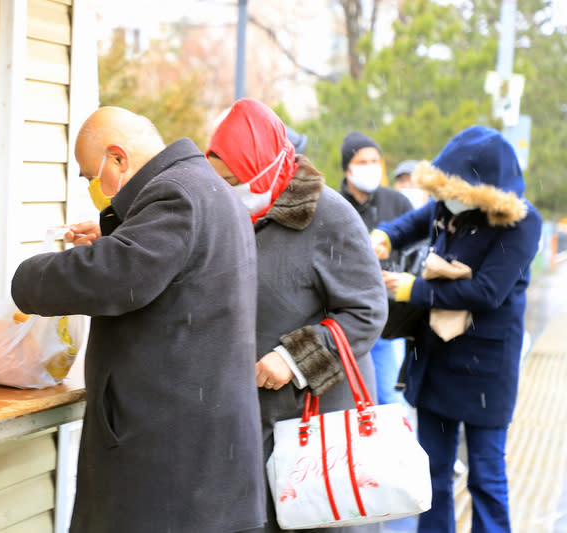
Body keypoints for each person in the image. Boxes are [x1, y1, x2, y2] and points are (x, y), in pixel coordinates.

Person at [11, 106, 266, 533]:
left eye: (89, 174)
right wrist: (114, 236)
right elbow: (167, 273)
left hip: (169, 462)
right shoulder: (206, 187)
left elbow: (118, 278)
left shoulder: (175, 195)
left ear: (118, 158)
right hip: (202, 455)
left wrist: (27, 278)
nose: (93, 187)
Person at [205, 98, 387, 533]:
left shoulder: (329, 215)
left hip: (319, 426)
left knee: (319, 521)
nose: (226, 190)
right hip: (251, 421)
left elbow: (367, 310)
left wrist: (293, 359)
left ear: (265, 168)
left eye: (234, 180)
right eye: (218, 181)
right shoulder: (232, 213)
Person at [372, 125, 542, 533]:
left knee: (486, 477)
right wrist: (384, 236)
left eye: (454, 192)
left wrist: (416, 289)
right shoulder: (448, 207)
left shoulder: (522, 224)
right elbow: (413, 223)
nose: (444, 200)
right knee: (432, 475)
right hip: (437, 360)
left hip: (487, 369)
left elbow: (486, 292)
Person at [338, 132, 413, 407]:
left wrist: (395, 271)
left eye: (375, 160)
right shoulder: (335, 206)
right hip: (345, 322)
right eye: (363, 161)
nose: (371, 167)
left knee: (391, 399)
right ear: (348, 167)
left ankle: (402, 450)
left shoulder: (397, 203)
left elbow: (417, 251)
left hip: (389, 320)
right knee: (353, 405)